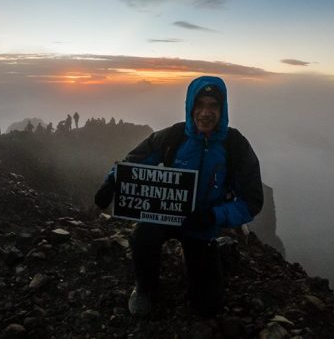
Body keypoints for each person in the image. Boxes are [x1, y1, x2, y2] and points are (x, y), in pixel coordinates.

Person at [95, 76, 263, 318]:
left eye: (213, 105)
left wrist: (213, 216)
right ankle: (145, 288)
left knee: (207, 307)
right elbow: (133, 163)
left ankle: (218, 252)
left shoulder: (234, 145)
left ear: (222, 108)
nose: (206, 113)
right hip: (165, 213)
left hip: (201, 222)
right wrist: (112, 181)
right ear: (190, 107)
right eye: (200, 105)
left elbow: (252, 200)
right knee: (143, 236)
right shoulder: (174, 137)